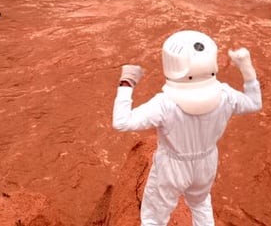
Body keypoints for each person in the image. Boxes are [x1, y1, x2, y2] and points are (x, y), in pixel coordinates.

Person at [112, 30, 262, 226]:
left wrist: (127, 82)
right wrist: (246, 67)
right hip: (206, 163)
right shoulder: (225, 94)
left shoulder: (165, 103)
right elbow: (254, 103)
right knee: (200, 205)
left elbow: (122, 122)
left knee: (153, 219)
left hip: (172, 167)